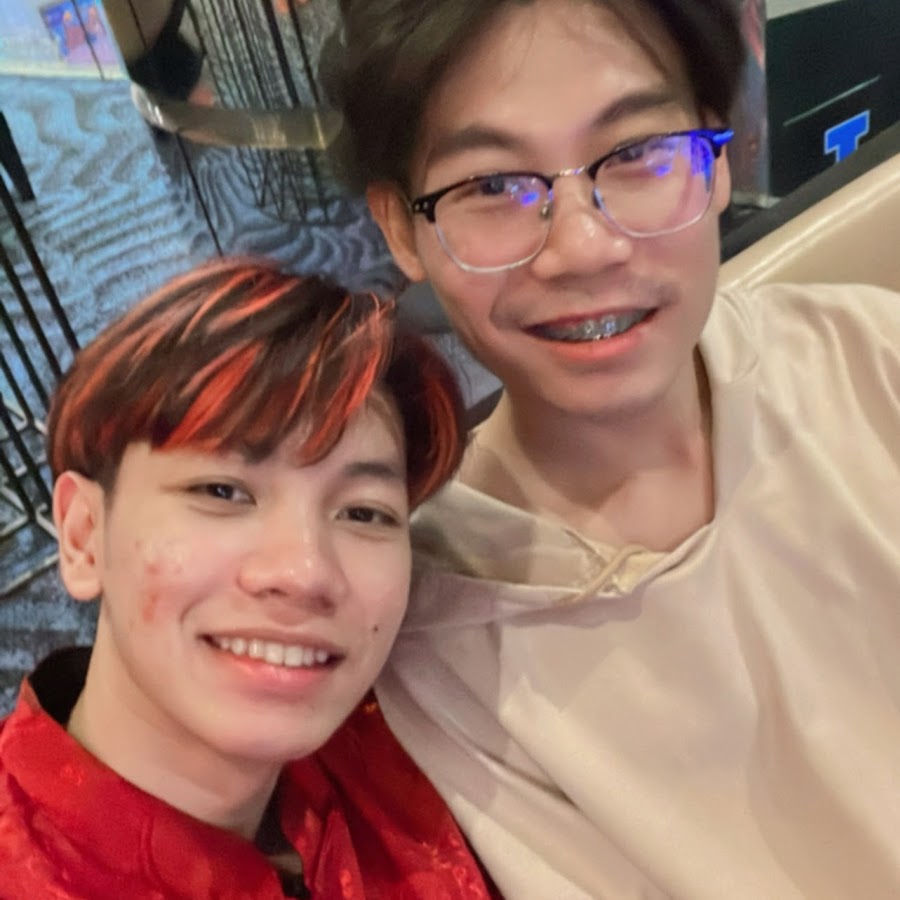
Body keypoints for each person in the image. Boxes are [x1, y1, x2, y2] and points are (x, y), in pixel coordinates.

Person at [329, 1, 900, 897]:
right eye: (494, 185)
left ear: (717, 156)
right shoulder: (425, 628)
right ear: (403, 229)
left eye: (637, 153)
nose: (584, 246)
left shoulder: (870, 362)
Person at [0, 259, 499, 899]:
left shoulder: (416, 735)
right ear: (83, 536)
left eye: (363, 512)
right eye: (223, 491)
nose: (304, 572)